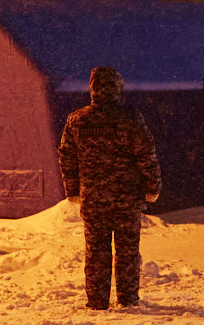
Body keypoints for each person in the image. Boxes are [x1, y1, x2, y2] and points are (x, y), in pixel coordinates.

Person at [58, 66, 160, 310]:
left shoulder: (77, 119)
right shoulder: (130, 118)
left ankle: (96, 300)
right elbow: (146, 154)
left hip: (93, 199)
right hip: (126, 199)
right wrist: (152, 185)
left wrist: (72, 189)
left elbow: (66, 156)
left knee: (96, 252)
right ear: (117, 87)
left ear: (92, 87)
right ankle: (127, 299)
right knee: (127, 251)